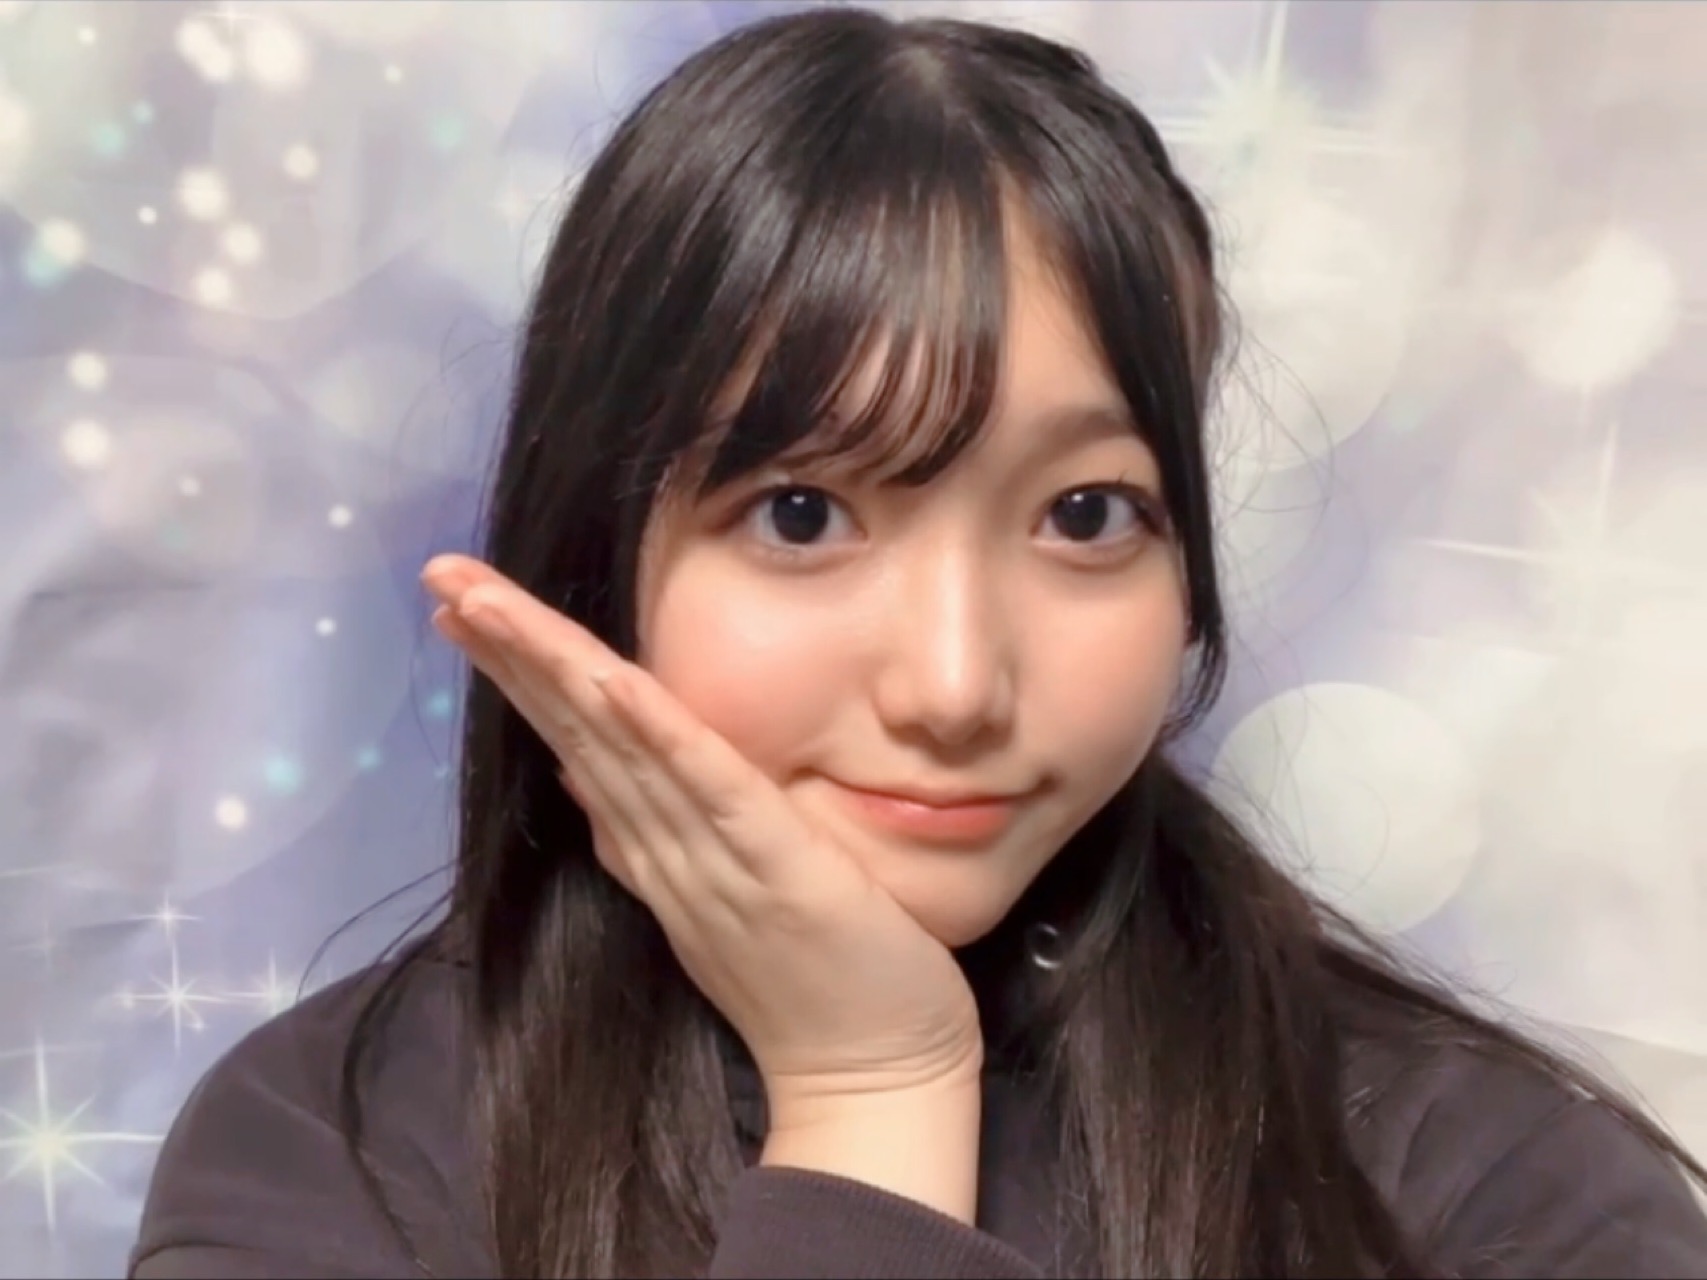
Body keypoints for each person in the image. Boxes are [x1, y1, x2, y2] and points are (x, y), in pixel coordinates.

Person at [129, 8, 1707, 1279]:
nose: (956, 685)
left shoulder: (1486, 1188)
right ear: (598, 554)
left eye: (1085, 515)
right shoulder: (331, 1163)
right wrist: (870, 1097)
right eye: (802, 514)